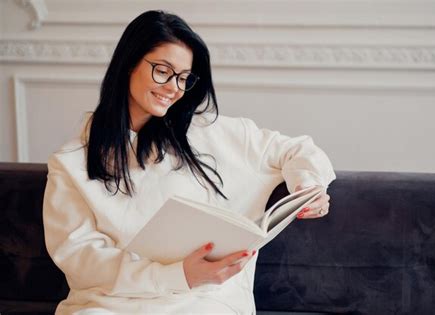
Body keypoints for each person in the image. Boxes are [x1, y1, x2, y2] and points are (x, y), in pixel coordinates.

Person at [42, 10, 336, 314]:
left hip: (203, 300)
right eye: (162, 71)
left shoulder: (210, 133)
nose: (173, 88)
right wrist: (175, 274)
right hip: (108, 304)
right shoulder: (70, 165)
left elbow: (299, 150)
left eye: (184, 78)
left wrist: (307, 186)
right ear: (128, 63)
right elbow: (82, 261)